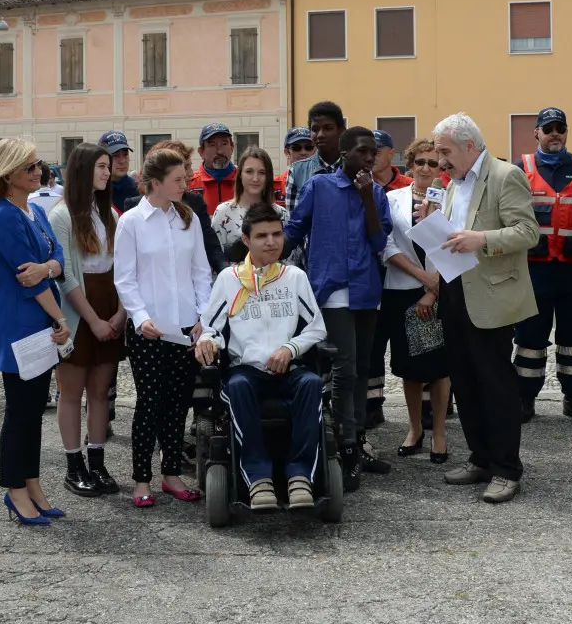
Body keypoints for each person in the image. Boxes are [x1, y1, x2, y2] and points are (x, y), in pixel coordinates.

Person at [433, 113, 539, 504]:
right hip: (455, 291)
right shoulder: (452, 184)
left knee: (496, 385)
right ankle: (481, 458)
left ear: (469, 146)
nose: (440, 160)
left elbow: (528, 232)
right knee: (465, 381)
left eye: (445, 151)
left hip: (491, 296)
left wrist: (482, 238)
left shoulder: (505, 175)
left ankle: (507, 470)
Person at [196, 203, 327, 510]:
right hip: (247, 371)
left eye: (277, 234)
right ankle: (257, 478)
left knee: (311, 384)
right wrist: (207, 342)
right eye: (262, 236)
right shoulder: (230, 279)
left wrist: (290, 348)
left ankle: (300, 477)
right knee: (237, 387)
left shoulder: (294, 277)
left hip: (289, 368)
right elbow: (210, 328)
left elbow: (317, 328)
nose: (271, 242)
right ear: (246, 240)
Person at [285, 126, 393, 490]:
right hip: (331, 290)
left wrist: (366, 198)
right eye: (363, 151)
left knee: (363, 367)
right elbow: (296, 228)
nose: (369, 158)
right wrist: (259, 256)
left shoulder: (376, 193)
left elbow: (379, 241)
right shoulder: (320, 186)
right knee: (345, 369)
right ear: (344, 153)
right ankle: (346, 446)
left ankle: (358, 440)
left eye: (373, 153)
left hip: (366, 290)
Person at [115, 148, 212, 507]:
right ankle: (142, 479)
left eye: (184, 178)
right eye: (177, 179)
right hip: (149, 331)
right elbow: (124, 279)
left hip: (186, 329)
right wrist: (140, 318)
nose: (185, 183)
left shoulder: (188, 218)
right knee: (149, 404)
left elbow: (201, 273)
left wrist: (203, 317)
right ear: (155, 183)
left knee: (178, 404)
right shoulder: (131, 222)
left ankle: (171, 473)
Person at [0, 138, 71, 527]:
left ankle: (31, 484)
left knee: (33, 411)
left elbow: (57, 257)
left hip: (38, 322)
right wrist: (60, 319)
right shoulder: (3, 215)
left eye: (39, 165)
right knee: (20, 412)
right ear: (9, 173)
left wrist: (48, 268)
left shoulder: (33, 209)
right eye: (31, 167)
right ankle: (14, 489)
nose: (39, 172)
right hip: (22, 324)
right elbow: (26, 277)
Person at [512, 107, 572, 425]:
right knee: (530, 340)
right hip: (533, 271)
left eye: (560, 128)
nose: (554, 133)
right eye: (547, 128)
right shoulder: (520, 169)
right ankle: (525, 399)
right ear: (536, 132)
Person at [49, 143, 126, 496]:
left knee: (100, 391)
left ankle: (97, 462)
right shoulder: (61, 215)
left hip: (110, 300)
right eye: (100, 166)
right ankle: (73, 465)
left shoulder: (109, 212)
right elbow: (65, 276)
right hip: (79, 309)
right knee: (71, 391)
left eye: (108, 166)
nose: (107, 172)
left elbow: (125, 268)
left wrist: (121, 313)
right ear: (82, 170)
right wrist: (94, 320)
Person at [382, 139, 450, 461]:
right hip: (402, 288)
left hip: (441, 287)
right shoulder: (392, 198)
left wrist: (434, 289)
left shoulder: (450, 199)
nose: (425, 168)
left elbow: (454, 245)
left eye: (432, 163)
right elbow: (387, 246)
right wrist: (423, 280)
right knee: (410, 368)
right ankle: (414, 429)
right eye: (420, 162)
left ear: (441, 167)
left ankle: (439, 431)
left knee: (438, 367)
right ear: (410, 165)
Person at [366, 131, 415, 427]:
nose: (372, 155)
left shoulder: (408, 186)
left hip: (406, 275)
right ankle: (373, 403)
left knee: (411, 340)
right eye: (368, 150)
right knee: (373, 342)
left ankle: (427, 403)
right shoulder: (360, 186)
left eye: (378, 149)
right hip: (372, 274)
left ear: (391, 153)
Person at [123, 140, 227, 276]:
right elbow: (126, 270)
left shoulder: (194, 203)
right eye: (185, 167)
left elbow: (210, 246)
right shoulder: (133, 210)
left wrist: (226, 272)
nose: (190, 173)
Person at [211, 146, 289, 252]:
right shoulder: (223, 213)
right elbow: (216, 256)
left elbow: (289, 258)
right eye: (249, 171)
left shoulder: (281, 213)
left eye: (262, 172)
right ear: (240, 175)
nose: (255, 178)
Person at [285, 102, 344, 216]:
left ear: (341, 130)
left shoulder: (356, 167)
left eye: (328, 128)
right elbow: (294, 220)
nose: (320, 134)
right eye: (315, 129)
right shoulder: (297, 171)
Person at [188, 124, 238, 216]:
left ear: (232, 148)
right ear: (201, 152)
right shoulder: (189, 185)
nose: (220, 151)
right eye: (212, 145)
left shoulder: (245, 181)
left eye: (224, 144)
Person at [98, 131, 138, 212]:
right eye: (115, 156)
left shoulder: (137, 189)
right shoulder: (94, 190)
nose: (122, 161)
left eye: (125, 154)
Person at [274, 127, 314, 207]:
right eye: (296, 148)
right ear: (287, 152)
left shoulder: (323, 182)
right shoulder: (274, 186)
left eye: (308, 147)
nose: (303, 152)